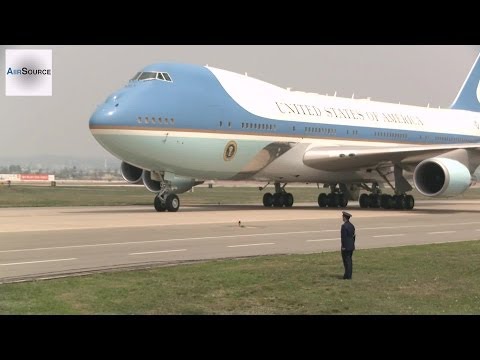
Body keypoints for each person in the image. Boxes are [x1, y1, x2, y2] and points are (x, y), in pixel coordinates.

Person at [340, 211, 356, 279]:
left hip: (346, 246)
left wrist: (343, 246)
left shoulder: (344, 226)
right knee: (349, 260)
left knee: (346, 261)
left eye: (343, 217)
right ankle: (348, 275)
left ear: (345, 218)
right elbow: (353, 236)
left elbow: (343, 237)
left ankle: (347, 275)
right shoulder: (352, 226)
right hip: (351, 246)